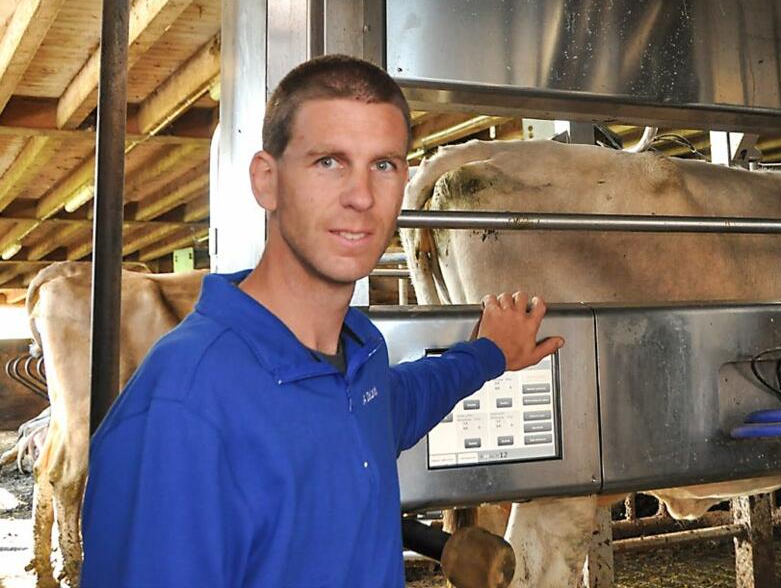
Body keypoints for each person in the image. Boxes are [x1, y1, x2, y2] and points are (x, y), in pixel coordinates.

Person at [81, 55, 563, 587]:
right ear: (267, 181)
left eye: (383, 165)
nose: (361, 196)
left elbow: (400, 402)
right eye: (329, 161)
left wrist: (490, 353)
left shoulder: (359, 356)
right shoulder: (180, 412)